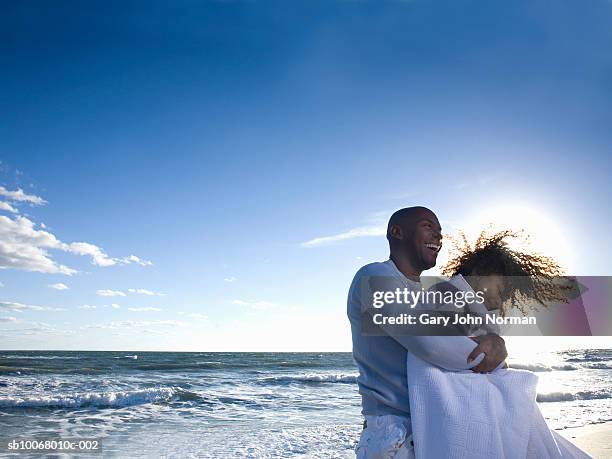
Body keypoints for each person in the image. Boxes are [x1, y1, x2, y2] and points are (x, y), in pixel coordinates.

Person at [347, 207, 508, 458]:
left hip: (433, 431)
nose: (438, 236)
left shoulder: (427, 297)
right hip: (393, 438)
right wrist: (491, 347)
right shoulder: (374, 276)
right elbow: (433, 344)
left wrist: (494, 341)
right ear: (396, 232)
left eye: (440, 231)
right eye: (428, 226)